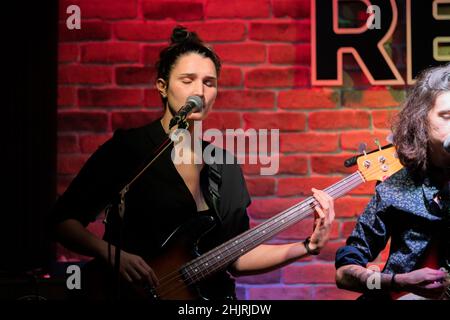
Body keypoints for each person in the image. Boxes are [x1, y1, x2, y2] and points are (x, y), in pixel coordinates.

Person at [50, 26, 335, 300]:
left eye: (209, 83)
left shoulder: (223, 165)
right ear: (162, 87)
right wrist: (112, 255)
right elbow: (63, 221)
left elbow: (236, 257)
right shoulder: (130, 149)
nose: (200, 90)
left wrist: (307, 246)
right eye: (187, 80)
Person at [335, 63, 450, 300]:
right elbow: (344, 273)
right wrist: (395, 281)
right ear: (422, 122)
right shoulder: (393, 189)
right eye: (447, 116)